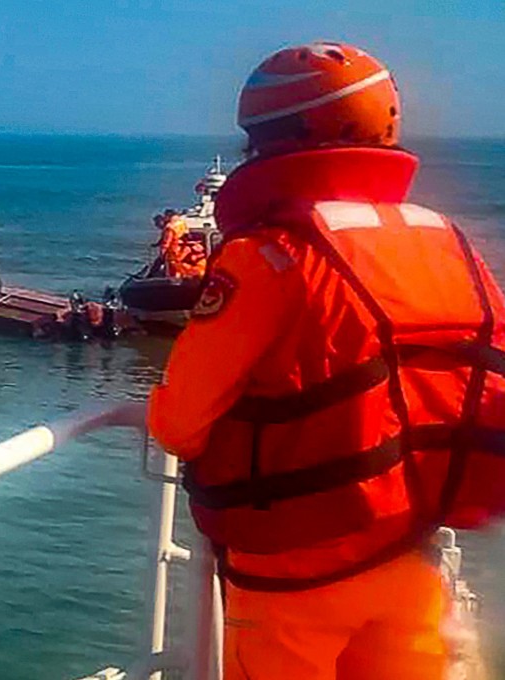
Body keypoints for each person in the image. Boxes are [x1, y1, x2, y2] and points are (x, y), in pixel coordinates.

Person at [146, 42, 505, 680]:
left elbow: (178, 424)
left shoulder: (267, 257)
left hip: (293, 572)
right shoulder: (448, 242)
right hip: (411, 550)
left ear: (274, 138)